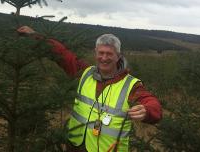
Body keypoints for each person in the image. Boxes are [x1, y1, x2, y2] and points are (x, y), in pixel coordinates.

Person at [17, 26, 162, 152]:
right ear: (95, 53)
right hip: (75, 146)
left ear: (118, 56)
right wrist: (35, 35)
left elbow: (151, 102)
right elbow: (61, 53)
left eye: (109, 54)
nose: (104, 58)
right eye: (101, 53)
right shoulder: (85, 72)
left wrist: (147, 110)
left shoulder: (130, 84)